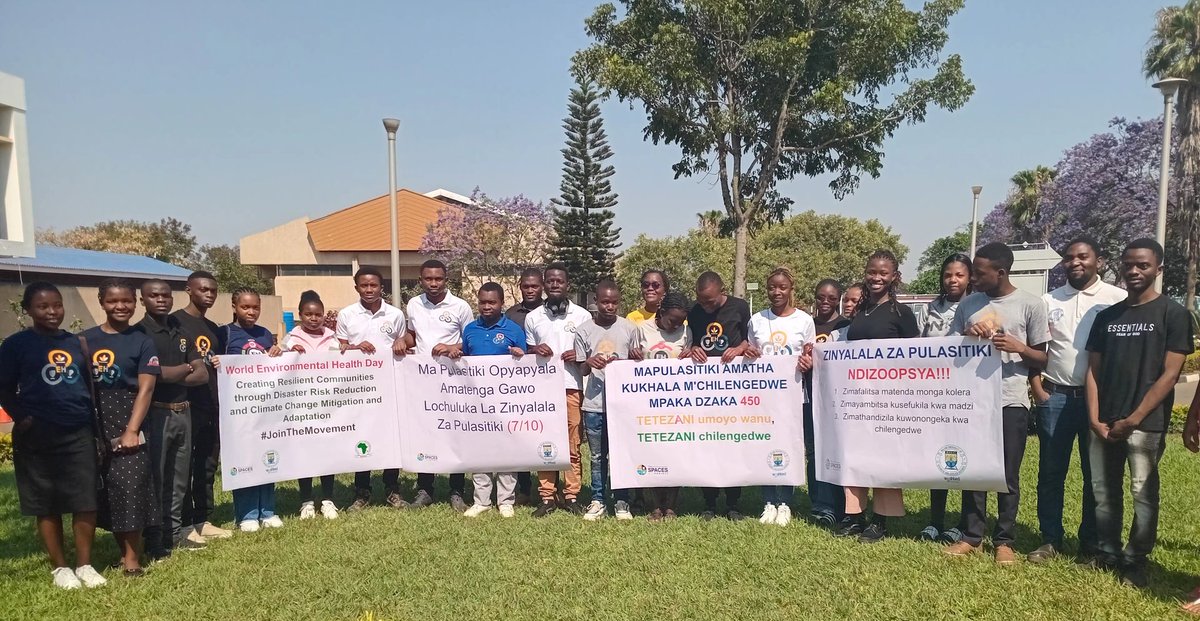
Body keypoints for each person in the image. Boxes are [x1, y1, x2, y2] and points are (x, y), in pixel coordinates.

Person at [1084, 238, 1191, 588]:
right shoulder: (1107, 316)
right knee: (1103, 490)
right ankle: (1108, 551)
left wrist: (1134, 419)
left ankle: (1135, 559)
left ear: (1158, 269)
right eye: (1128, 264)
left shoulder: (1172, 313)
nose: (1133, 271)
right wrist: (1094, 417)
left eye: (1142, 265)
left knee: (1142, 492)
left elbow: (1170, 374)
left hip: (1146, 424)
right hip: (1104, 421)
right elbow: (1093, 371)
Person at [943, 242, 1049, 565]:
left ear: (1001, 273)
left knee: (1006, 474)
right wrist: (966, 334)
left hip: (1010, 400)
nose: (973, 278)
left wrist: (1018, 346)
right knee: (974, 471)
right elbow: (948, 350)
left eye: (980, 273)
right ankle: (972, 536)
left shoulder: (1031, 305)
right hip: (973, 402)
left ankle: (1004, 540)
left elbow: (1043, 358)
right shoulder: (969, 305)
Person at [0, 283, 107, 589]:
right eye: (43, 307)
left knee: (85, 500)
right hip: (38, 435)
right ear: (28, 310)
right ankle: (60, 567)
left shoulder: (77, 343)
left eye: (57, 305)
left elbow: (88, 387)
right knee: (46, 503)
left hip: (77, 431)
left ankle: (85, 564)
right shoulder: (16, 345)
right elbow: (4, 387)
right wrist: (22, 417)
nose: (52, 312)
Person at [1027, 238, 1125, 564]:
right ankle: (1050, 539)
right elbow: (1036, 348)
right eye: (1069, 258)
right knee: (1051, 473)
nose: (1075, 262)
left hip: (1098, 403)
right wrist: (1037, 386)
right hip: (1055, 397)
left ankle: (1090, 544)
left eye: (1082, 256)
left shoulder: (1118, 299)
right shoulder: (1048, 300)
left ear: (1098, 259)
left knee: (1093, 474)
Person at [836, 250, 919, 543]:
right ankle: (854, 517)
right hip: (857, 399)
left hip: (889, 401)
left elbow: (915, 358)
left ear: (894, 277)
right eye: (872, 272)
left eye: (883, 273)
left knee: (883, 461)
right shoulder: (860, 311)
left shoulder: (901, 314)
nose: (876, 278)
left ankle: (880, 521)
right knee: (856, 458)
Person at [83, 280, 161, 578]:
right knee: (107, 489)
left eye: (126, 301)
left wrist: (132, 429)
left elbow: (146, 388)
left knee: (130, 486)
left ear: (135, 302)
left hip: (131, 416)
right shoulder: (84, 340)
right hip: (94, 420)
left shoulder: (142, 341)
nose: (120, 306)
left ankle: (132, 557)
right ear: (101, 301)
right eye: (113, 301)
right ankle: (117, 549)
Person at [136, 279, 208, 558]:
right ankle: (153, 538)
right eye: (153, 296)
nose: (161, 300)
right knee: (155, 477)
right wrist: (184, 368)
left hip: (183, 410)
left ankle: (174, 533)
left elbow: (201, 375)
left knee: (179, 478)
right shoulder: (139, 334)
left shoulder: (181, 331)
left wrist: (168, 372)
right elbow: (150, 378)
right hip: (155, 412)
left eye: (165, 295)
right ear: (143, 300)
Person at [745, 267, 814, 527]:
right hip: (764, 397)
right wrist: (749, 353)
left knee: (790, 447)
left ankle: (784, 502)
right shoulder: (757, 320)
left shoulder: (804, 320)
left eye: (782, 287)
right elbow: (751, 350)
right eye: (772, 287)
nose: (777, 292)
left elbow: (810, 354)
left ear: (790, 289)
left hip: (794, 396)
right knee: (764, 444)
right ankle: (768, 501)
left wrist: (807, 362)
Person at [335, 267, 409, 511]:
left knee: (390, 438)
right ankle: (362, 491)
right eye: (364, 286)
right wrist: (355, 346)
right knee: (362, 435)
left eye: (373, 285)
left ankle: (392, 489)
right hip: (359, 388)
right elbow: (340, 348)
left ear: (381, 287)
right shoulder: (347, 315)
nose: (369, 290)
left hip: (389, 387)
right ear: (356, 288)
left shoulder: (395, 314)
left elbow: (404, 342)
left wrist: (401, 341)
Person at [406, 259, 474, 512]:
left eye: (439, 279)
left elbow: (471, 339)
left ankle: (457, 490)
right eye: (428, 279)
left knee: (455, 431)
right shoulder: (414, 304)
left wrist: (452, 348)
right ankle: (425, 489)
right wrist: (404, 340)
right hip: (423, 379)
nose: (433, 284)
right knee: (425, 431)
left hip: (454, 379)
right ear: (420, 280)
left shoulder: (460, 306)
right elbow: (413, 335)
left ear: (447, 279)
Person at [525, 263, 593, 517]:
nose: (555, 285)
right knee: (545, 443)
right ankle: (546, 496)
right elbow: (527, 354)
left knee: (572, 443)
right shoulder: (533, 318)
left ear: (567, 285)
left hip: (571, 387)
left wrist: (579, 355)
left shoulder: (582, 316)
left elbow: (589, 355)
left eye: (559, 281)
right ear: (544, 284)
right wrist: (535, 350)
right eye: (550, 281)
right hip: (541, 391)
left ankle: (572, 494)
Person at [171, 270, 233, 543]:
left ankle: (203, 518)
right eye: (203, 289)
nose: (208, 295)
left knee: (206, 465)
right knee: (182, 467)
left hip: (212, 404)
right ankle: (183, 523)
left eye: (212, 291)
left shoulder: (214, 328)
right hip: (185, 405)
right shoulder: (174, 323)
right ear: (189, 289)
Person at [458, 282, 527, 518]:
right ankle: (481, 500)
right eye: (482, 302)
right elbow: (466, 362)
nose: (486, 307)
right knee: (480, 450)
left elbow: (526, 365)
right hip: (477, 404)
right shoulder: (469, 330)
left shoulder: (514, 330)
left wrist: (520, 354)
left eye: (492, 302)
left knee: (507, 449)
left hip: (506, 402)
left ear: (501, 303)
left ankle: (506, 500)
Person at [218, 288, 285, 532]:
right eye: (245, 307)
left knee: (267, 455)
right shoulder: (225, 333)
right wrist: (217, 362)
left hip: (265, 408)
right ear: (234, 307)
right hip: (238, 410)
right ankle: (246, 514)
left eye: (255, 307)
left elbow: (274, 367)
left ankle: (267, 510)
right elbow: (215, 361)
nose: (251, 312)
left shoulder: (265, 334)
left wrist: (278, 353)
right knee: (244, 458)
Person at [687, 271, 751, 521]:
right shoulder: (695, 311)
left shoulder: (740, 307)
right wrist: (694, 349)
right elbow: (691, 342)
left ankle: (733, 503)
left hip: (734, 387)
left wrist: (738, 349)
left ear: (722, 291)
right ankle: (709, 502)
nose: (706, 305)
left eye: (710, 301)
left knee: (732, 445)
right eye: (702, 301)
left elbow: (750, 340)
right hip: (705, 390)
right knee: (708, 446)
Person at [918, 254, 972, 545]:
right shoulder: (931, 309)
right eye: (948, 275)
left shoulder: (978, 305)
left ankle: (963, 523)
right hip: (936, 392)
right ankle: (935, 521)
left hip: (967, 393)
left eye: (959, 275)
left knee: (965, 458)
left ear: (970, 278)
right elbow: (918, 347)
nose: (953, 280)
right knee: (939, 457)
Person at [575, 280, 638, 521]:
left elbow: (637, 366)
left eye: (614, 302)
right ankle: (598, 500)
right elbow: (580, 369)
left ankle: (622, 501)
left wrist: (634, 359)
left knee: (621, 453)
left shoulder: (630, 329)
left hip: (622, 406)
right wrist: (588, 363)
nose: (609, 306)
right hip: (594, 404)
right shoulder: (583, 330)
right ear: (595, 302)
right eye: (604, 302)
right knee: (597, 456)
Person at [629, 290, 691, 522]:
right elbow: (630, 363)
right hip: (648, 404)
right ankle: (655, 505)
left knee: (675, 453)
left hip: (678, 404)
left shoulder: (687, 331)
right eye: (672, 320)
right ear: (661, 312)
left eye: (680, 321)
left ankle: (672, 506)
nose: (676, 325)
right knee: (653, 452)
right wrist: (632, 355)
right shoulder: (642, 329)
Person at [281, 290, 340, 520]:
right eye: (308, 314)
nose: (313, 319)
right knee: (304, 453)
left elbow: (342, 363)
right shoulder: (291, 338)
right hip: (300, 405)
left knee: (326, 453)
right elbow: (276, 364)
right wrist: (287, 353)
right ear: (300, 315)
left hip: (327, 405)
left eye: (318, 315)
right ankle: (306, 500)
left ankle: (328, 499)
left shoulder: (331, 337)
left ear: (324, 315)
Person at [806, 279, 850, 527]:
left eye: (831, 298)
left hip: (836, 397)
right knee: (814, 451)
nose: (825, 302)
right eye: (821, 297)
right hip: (810, 393)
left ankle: (843, 503)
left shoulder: (845, 325)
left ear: (839, 299)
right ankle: (819, 503)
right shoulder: (807, 324)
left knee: (836, 449)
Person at [505, 267, 544, 505]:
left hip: (545, 384)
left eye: (535, 286)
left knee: (546, 434)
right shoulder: (510, 315)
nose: (530, 290)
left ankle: (548, 488)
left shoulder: (551, 313)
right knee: (519, 435)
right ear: (520, 286)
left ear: (542, 287)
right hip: (517, 386)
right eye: (526, 286)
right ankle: (524, 488)